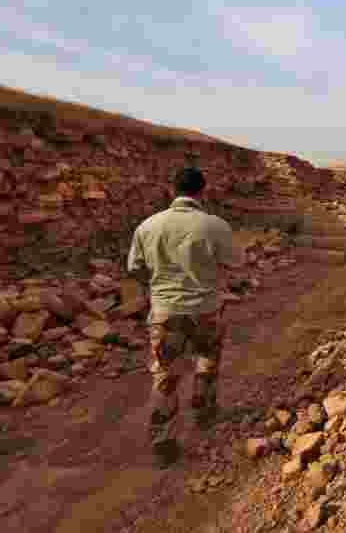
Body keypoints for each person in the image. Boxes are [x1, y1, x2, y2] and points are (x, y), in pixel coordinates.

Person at [127, 166, 235, 469]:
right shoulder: (215, 226)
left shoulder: (148, 225)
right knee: (208, 358)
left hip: (165, 311)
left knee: (165, 376)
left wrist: (158, 282)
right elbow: (233, 262)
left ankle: (162, 444)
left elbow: (135, 268)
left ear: (171, 190)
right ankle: (204, 410)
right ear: (203, 191)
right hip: (206, 309)